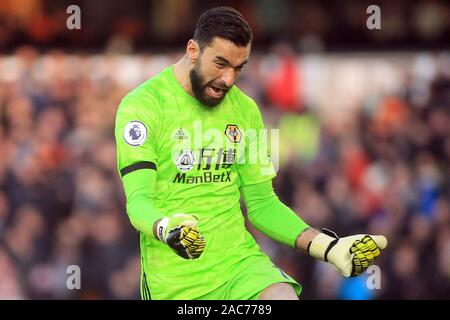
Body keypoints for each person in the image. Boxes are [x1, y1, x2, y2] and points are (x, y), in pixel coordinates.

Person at [114, 6, 387, 300]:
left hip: (239, 267)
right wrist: (166, 227)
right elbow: (138, 202)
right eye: (220, 63)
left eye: (239, 67)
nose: (228, 79)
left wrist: (327, 247)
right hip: (175, 283)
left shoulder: (246, 111)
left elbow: (263, 205)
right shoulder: (141, 106)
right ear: (193, 50)